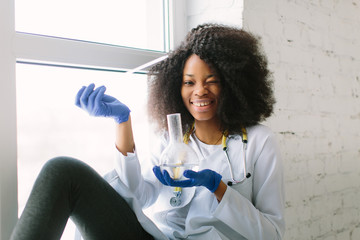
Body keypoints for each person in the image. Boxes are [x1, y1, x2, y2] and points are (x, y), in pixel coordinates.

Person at [11, 23, 285, 240]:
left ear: (234, 85)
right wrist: (123, 121)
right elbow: (137, 192)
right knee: (63, 171)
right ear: (176, 88)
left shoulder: (259, 142)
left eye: (211, 81)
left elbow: (272, 235)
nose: (199, 90)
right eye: (189, 82)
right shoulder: (172, 139)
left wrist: (219, 189)